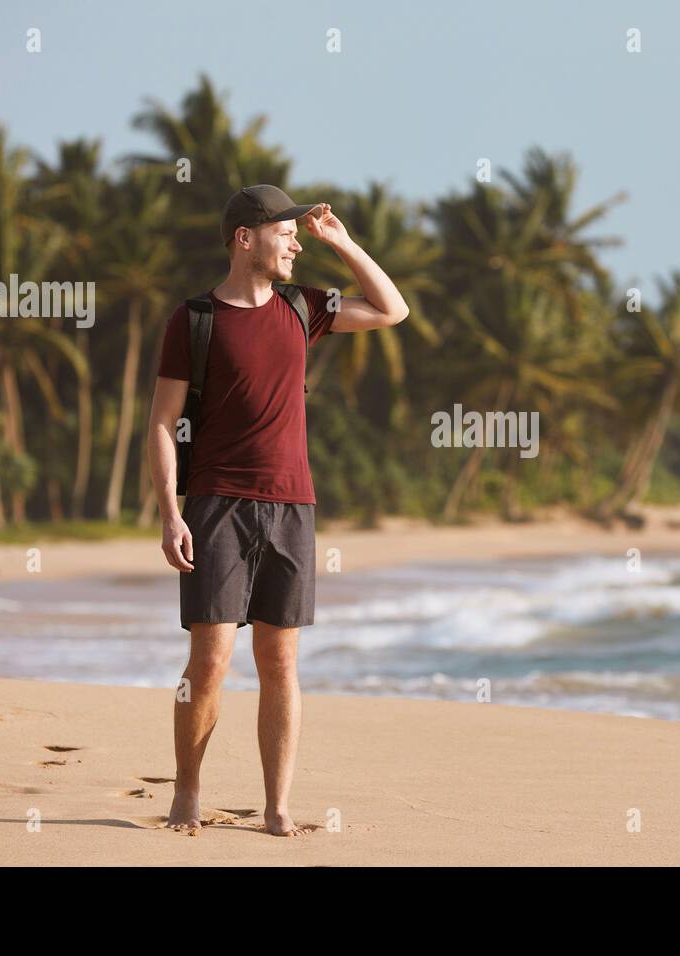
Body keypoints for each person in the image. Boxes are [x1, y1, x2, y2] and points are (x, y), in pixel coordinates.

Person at [146, 185, 409, 836]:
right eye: (286, 231)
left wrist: (341, 242)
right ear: (245, 238)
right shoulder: (194, 319)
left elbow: (391, 309)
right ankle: (187, 790)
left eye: (299, 232)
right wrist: (168, 514)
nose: (296, 240)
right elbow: (160, 422)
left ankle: (277, 805)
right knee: (209, 661)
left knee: (280, 663)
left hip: (292, 504)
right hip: (214, 507)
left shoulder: (305, 308)